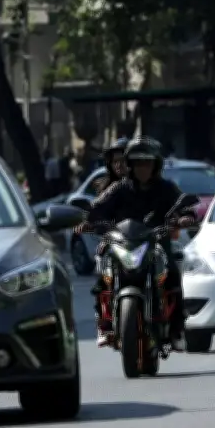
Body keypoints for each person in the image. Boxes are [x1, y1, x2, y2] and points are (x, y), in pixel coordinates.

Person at [78, 136, 197, 350]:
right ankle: (105, 326)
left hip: (156, 243)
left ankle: (177, 328)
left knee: (172, 273)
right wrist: (87, 221)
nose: (143, 168)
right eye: (138, 163)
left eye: (147, 163)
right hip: (123, 244)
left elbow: (182, 204)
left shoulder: (166, 188)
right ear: (130, 165)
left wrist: (185, 216)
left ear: (155, 165)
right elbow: (97, 208)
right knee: (104, 275)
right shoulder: (119, 189)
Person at [85, 136, 129, 346]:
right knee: (104, 278)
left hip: (144, 242)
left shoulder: (147, 186)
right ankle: (104, 325)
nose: (120, 165)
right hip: (114, 243)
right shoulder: (106, 189)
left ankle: (173, 323)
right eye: (115, 161)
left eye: (124, 160)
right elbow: (94, 214)